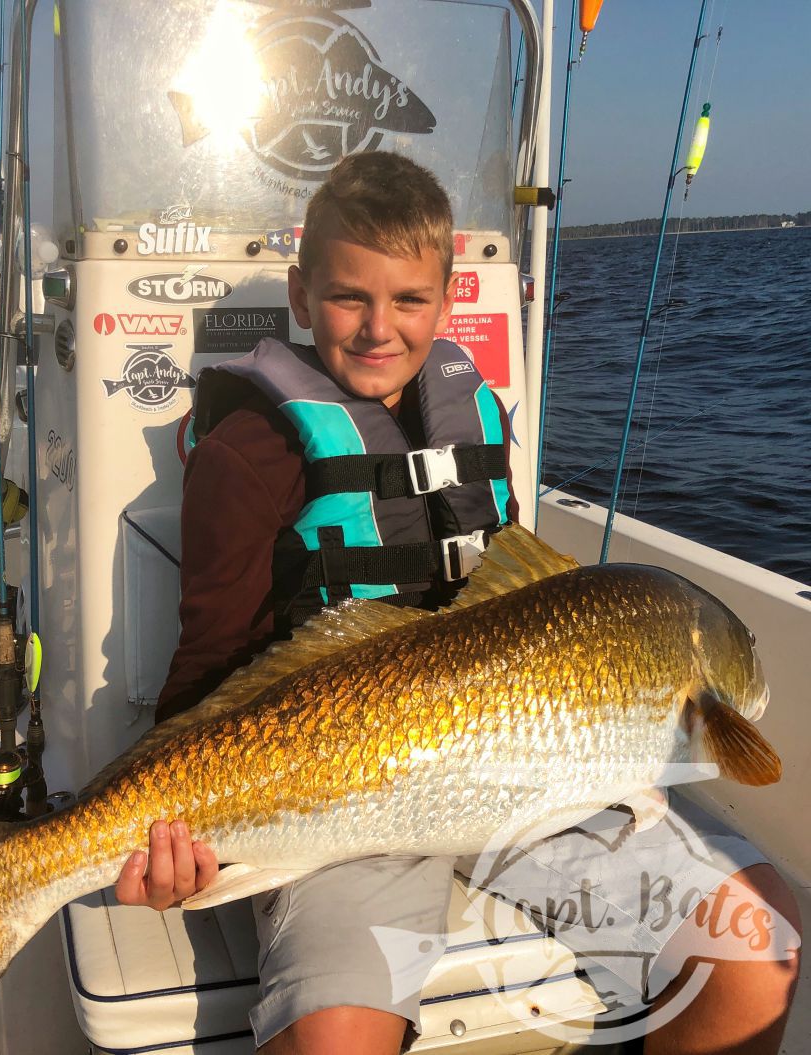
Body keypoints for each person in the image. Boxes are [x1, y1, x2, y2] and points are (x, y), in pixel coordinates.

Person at [115, 153, 800, 1054]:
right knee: (331, 1039)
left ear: (444, 302)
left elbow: (522, 600)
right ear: (301, 292)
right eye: (348, 298)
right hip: (338, 797)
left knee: (758, 945)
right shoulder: (249, 449)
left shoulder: (471, 410)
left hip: (531, 772)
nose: (376, 328)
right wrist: (171, 833)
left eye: (407, 301)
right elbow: (206, 671)